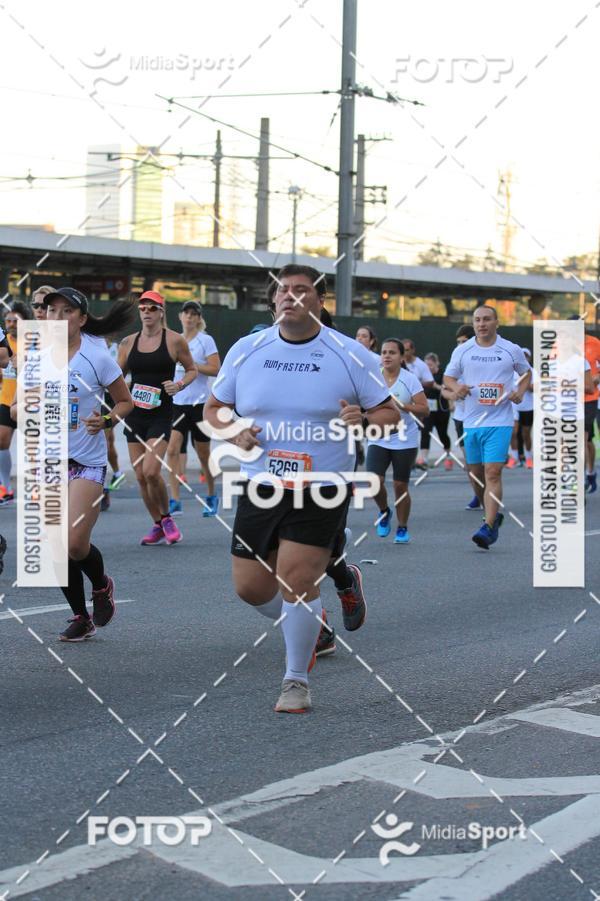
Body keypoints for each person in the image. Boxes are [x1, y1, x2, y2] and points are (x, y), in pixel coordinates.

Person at [204, 264, 398, 713]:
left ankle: (296, 680)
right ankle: (314, 623)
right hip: (262, 483)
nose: (291, 297)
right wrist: (233, 432)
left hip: (323, 485)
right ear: (272, 302)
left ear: (319, 300)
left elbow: (391, 415)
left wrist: (365, 421)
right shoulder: (247, 349)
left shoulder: (350, 354)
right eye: (282, 291)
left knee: (295, 578)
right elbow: (215, 408)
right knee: (251, 587)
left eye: (301, 290)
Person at [41, 287, 134, 641]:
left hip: (86, 462)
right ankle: (80, 616)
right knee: (56, 543)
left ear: (81, 319)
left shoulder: (98, 358)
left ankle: (101, 585)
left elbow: (125, 402)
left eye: (67, 311)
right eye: (52, 311)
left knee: (76, 543)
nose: (58, 317)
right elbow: (19, 407)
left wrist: (106, 421)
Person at [444, 306, 531, 549]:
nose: (482, 324)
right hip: (471, 422)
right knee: (475, 474)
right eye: (477, 320)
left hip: (499, 421)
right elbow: (448, 377)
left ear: (496, 322)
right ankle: (491, 513)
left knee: (492, 472)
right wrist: (455, 388)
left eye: (487, 319)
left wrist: (520, 392)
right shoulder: (463, 350)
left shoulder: (510, 349)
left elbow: (526, 374)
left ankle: (489, 526)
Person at [118, 291, 197, 546]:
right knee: (140, 475)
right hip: (135, 415)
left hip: (162, 415)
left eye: (152, 308)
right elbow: (116, 377)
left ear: (161, 311)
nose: (147, 312)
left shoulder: (174, 341)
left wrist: (180, 384)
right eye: (143, 308)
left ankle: (167, 518)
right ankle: (157, 523)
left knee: (152, 471)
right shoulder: (128, 343)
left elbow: (192, 369)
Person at [366, 339, 428, 544]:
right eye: (384, 352)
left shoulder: (409, 379)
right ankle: (384, 512)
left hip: (405, 439)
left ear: (401, 357)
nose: (386, 356)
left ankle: (402, 527)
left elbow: (424, 409)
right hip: (378, 436)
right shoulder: (373, 378)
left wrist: (404, 406)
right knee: (374, 481)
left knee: (400, 486)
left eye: (392, 352)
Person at [167, 300, 221, 517]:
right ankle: (175, 500)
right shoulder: (174, 340)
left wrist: (193, 366)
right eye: (186, 313)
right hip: (178, 404)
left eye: (194, 314)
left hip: (199, 405)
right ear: (180, 316)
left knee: (203, 456)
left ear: (199, 318)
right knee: (172, 449)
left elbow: (216, 369)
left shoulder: (205, 341)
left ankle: (211, 495)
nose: (189, 317)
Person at [0, 303, 31, 503]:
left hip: (30, 401)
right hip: (6, 400)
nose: (11, 324)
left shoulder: (33, 341)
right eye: (8, 320)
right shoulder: (4, 343)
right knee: (2, 441)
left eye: (15, 321)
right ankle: (6, 488)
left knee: (34, 447)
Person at [446, 325, 479, 509]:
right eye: (458, 342)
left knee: (486, 464)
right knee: (470, 462)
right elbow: (445, 388)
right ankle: (477, 494)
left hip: (483, 416)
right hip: (461, 418)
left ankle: (489, 494)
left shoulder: (483, 358)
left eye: (464, 342)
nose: (460, 345)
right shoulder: (456, 357)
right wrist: (453, 394)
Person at [418, 351, 452, 470]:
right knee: (425, 431)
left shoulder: (444, 375)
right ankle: (424, 459)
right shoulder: (423, 376)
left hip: (442, 410)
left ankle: (448, 456)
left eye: (430, 365)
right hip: (428, 410)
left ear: (436, 364)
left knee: (442, 434)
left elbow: (446, 389)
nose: (428, 368)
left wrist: (434, 385)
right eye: (426, 365)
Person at [507, 348, 535, 470]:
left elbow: (535, 388)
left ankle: (528, 458)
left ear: (529, 358)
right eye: (522, 356)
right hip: (513, 406)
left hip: (528, 407)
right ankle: (514, 458)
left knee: (526, 434)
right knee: (513, 432)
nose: (524, 358)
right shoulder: (510, 372)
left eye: (526, 356)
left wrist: (525, 382)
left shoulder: (532, 372)